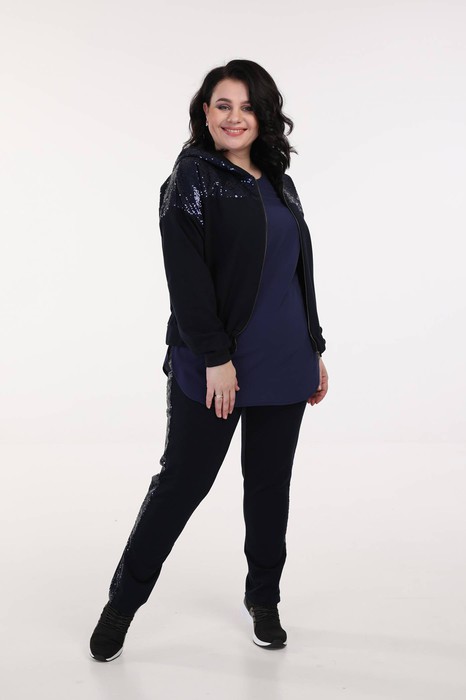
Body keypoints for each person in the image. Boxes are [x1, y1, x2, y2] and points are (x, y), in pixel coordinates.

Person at [89, 58, 329, 663]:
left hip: (285, 360)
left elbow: (296, 270)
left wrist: (314, 345)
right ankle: (122, 605)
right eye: (223, 105)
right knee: (182, 483)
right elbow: (187, 279)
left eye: (247, 106)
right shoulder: (192, 176)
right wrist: (217, 357)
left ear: (263, 115)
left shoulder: (278, 179)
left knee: (269, 488)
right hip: (213, 364)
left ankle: (264, 599)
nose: (235, 117)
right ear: (205, 112)